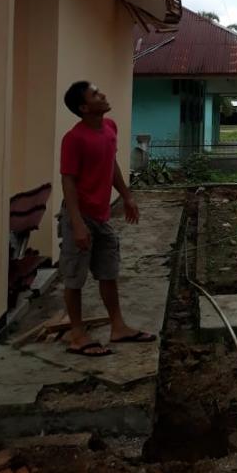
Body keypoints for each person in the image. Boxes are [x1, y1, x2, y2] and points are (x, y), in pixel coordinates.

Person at [59, 81, 155, 356]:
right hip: (79, 216)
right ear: (84, 107)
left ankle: (118, 327)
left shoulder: (110, 127)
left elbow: (110, 164)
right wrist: (76, 223)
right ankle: (77, 334)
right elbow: (68, 180)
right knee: (74, 277)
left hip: (102, 217)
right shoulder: (74, 139)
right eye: (95, 94)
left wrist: (126, 196)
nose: (103, 95)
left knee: (108, 272)